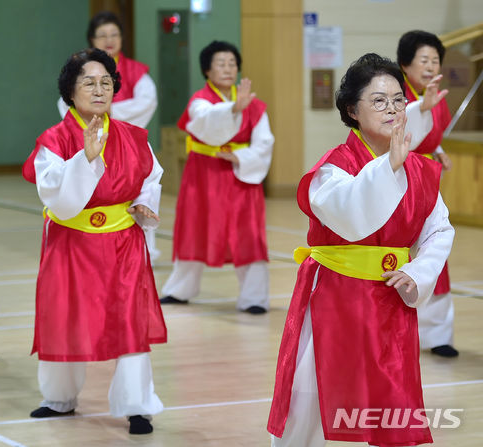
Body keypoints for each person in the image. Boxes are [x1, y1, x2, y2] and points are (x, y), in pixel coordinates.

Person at [268, 53, 454, 447]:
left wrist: (418, 272)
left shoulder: (421, 170)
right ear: (352, 110)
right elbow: (352, 215)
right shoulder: (332, 169)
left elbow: (439, 229)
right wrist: (387, 168)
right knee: (314, 400)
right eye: (379, 100)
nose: (392, 109)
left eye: (399, 99)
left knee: (393, 401)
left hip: (391, 300)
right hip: (337, 297)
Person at [23, 48, 166, 435]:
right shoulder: (53, 140)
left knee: (130, 322)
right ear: (70, 91)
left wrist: (142, 203)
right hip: (72, 243)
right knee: (65, 318)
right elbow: (56, 196)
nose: (99, 90)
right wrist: (83, 160)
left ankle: (137, 405)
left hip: (123, 243)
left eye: (106, 82)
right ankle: (59, 398)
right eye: (89, 82)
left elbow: (150, 178)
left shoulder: (135, 137)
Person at [159, 40, 274, 313]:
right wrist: (234, 109)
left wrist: (241, 157)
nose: (227, 69)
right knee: (194, 229)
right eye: (220, 64)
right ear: (206, 71)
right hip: (204, 175)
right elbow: (204, 123)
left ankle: (254, 297)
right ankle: (180, 289)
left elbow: (264, 141)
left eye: (232, 63)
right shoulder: (200, 101)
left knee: (248, 234)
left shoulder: (255, 106)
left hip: (240, 177)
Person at [56, 11, 161, 261]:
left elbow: (147, 103)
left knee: (138, 193)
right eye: (102, 35)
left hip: (126, 145)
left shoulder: (137, 72)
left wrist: (112, 117)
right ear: (92, 39)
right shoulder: (77, 71)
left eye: (114, 34)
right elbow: (66, 108)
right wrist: (99, 119)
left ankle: (143, 249)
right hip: (90, 144)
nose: (109, 40)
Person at [398, 30, 458, 358]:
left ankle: (438, 335)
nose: (430, 65)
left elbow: (430, 136)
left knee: (435, 250)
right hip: (397, 181)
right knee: (399, 251)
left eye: (435, 60)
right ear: (405, 63)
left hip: (427, 182)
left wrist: (438, 150)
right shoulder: (394, 94)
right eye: (424, 59)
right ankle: (400, 331)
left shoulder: (439, 95)